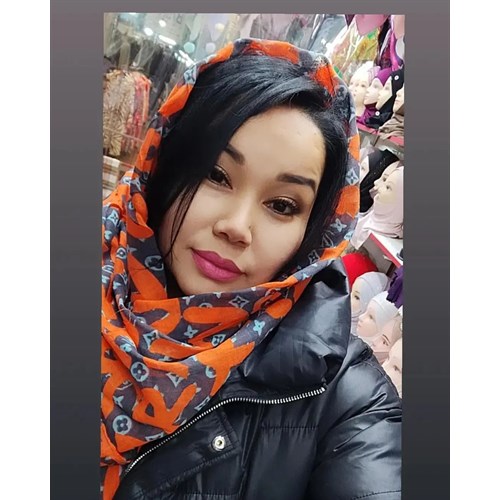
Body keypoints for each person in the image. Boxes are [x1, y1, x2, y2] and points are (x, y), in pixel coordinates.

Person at [101, 38, 402, 500]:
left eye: (282, 205)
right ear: (163, 164)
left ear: (313, 234)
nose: (237, 227)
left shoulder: (346, 400)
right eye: (216, 175)